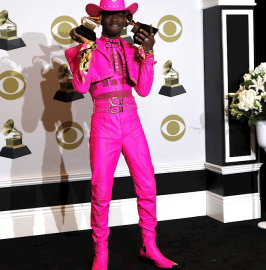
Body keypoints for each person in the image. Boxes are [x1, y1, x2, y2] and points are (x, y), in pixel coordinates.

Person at [64, 0, 178, 269]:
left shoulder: (133, 48)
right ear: (101, 18)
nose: (114, 18)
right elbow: (81, 86)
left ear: (127, 19)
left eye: (120, 14)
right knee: (101, 190)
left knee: (148, 185)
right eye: (109, 14)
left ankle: (148, 246)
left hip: (132, 121)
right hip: (104, 123)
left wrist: (147, 52)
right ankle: (100, 253)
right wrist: (88, 48)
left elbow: (145, 89)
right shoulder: (86, 47)